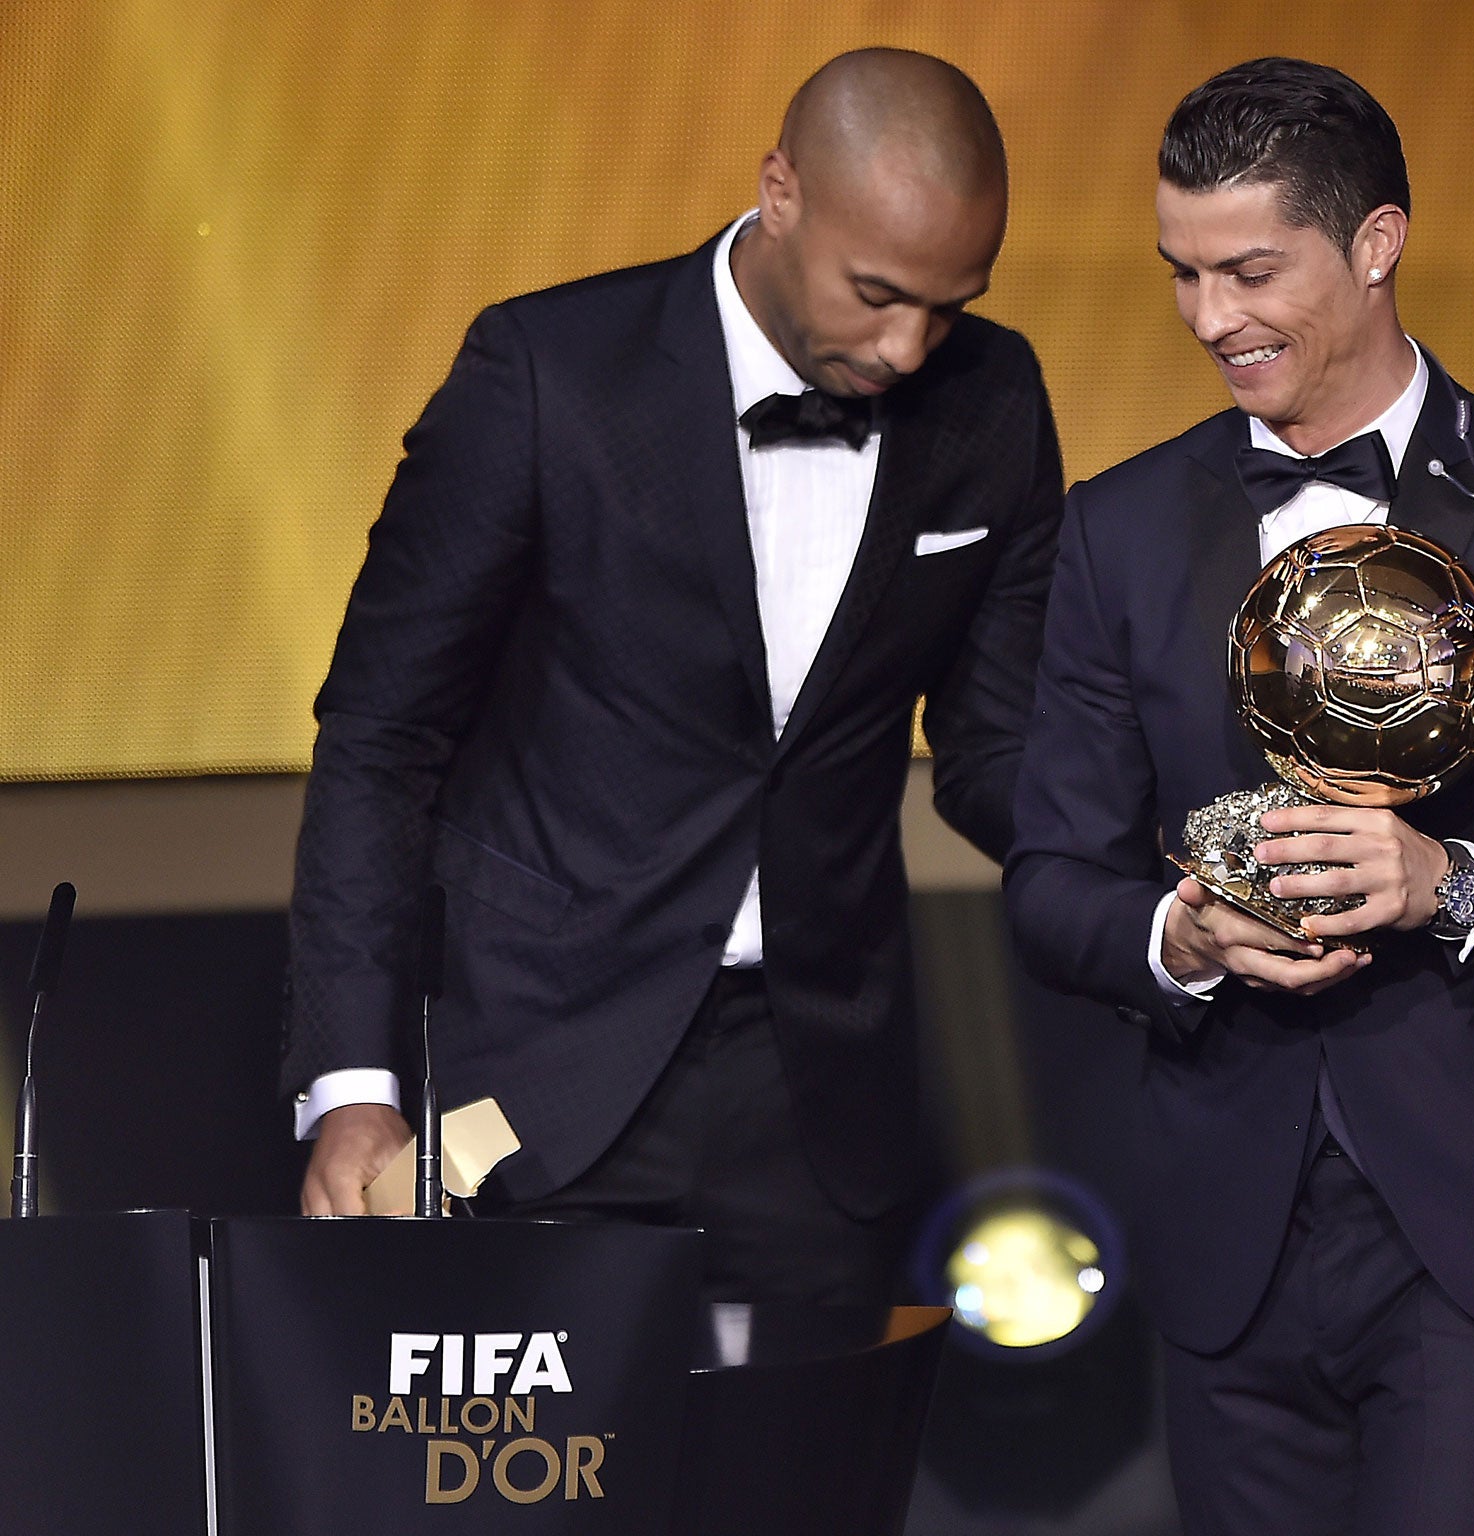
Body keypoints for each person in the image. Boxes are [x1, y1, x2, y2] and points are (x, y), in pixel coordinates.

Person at [1005, 58, 1474, 1535]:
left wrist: (1450, 885)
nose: (1213, 318)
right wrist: (1183, 939)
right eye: (1183, 274)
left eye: (1252, 270)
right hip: (1230, 1228)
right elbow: (1048, 882)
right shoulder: (1121, 530)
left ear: (1377, 242)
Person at [284, 48, 1063, 1306]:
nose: (912, 347)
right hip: (530, 1073)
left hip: (818, 1102)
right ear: (780, 191)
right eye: (875, 294)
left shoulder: (992, 399)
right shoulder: (546, 374)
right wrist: (356, 1086)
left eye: (950, 304)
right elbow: (382, 735)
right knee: (523, 1498)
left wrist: (1170, 863)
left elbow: (998, 743)